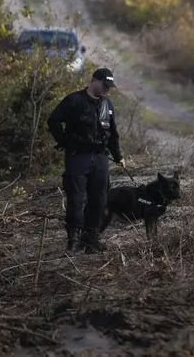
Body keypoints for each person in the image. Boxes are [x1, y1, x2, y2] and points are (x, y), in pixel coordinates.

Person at [47, 68, 125, 255]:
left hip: (100, 157)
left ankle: (91, 240)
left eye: (109, 86)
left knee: (99, 199)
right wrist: (64, 142)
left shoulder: (107, 105)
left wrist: (118, 156)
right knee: (76, 199)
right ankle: (73, 242)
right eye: (104, 85)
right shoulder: (74, 100)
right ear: (94, 81)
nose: (107, 89)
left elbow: (113, 134)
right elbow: (53, 121)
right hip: (78, 157)